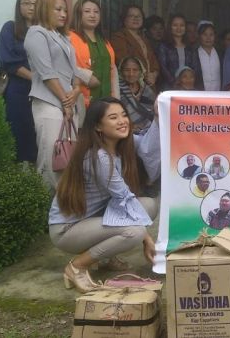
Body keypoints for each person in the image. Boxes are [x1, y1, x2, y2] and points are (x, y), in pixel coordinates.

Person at [48, 97, 160, 293]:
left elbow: (149, 146)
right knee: (134, 231)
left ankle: (105, 258)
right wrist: (147, 239)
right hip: (67, 229)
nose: (122, 121)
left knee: (149, 205)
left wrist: (158, 116)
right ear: (98, 126)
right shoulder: (98, 157)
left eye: (124, 115)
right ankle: (77, 267)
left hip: (91, 220)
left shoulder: (120, 145)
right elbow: (123, 197)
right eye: (113, 117)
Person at [25, 0, 81, 193]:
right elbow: (47, 73)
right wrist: (67, 101)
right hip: (48, 102)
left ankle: (65, 207)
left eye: (65, 10)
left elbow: (74, 72)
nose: (63, 14)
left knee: (67, 157)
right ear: (44, 9)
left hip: (68, 103)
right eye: (58, 9)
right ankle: (46, 211)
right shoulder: (36, 33)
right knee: (50, 157)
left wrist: (75, 91)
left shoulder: (63, 37)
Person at [0, 0, 40, 163]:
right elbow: (8, 61)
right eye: (26, 3)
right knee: (20, 133)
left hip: (45, 91)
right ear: (19, 6)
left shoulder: (45, 30)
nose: (31, 7)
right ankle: (22, 180)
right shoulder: (10, 28)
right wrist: (36, 79)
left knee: (41, 135)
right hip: (19, 91)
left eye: (35, 4)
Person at [69, 0, 118, 109]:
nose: (92, 15)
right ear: (78, 14)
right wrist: (86, 77)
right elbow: (63, 65)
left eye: (96, 12)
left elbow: (112, 70)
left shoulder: (104, 41)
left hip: (106, 101)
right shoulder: (69, 37)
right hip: (81, 100)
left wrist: (115, 98)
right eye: (87, 11)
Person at [110, 5, 159, 92]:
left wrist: (154, 75)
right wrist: (144, 75)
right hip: (131, 84)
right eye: (131, 16)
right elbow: (124, 60)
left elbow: (153, 60)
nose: (136, 18)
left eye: (138, 16)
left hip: (149, 84)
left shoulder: (144, 38)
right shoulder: (118, 37)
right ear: (124, 19)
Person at [157, 14, 198, 91]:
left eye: (182, 25)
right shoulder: (164, 46)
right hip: (169, 87)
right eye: (175, 25)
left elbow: (194, 67)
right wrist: (174, 82)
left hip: (188, 87)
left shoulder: (190, 47)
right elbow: (163, 67)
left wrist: (189, 80)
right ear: (170, 27)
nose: (178, 28)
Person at [118, 56, 155, 133]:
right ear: (121, 72)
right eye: (127, 70)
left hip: (149, 130)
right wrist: (130, 125)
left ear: (141, 72)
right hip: (124, 131)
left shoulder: (146, 90)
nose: (131, 74)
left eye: (135, 70)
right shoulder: (117, 90)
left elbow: (154, 112)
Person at [194, 22, 222, 91]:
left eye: (211, 35)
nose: (208, 38)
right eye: (204, 34)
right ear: (199, 36)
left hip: (218, 92)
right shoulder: (194, 54)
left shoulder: (220, 53)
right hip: (201, 93)